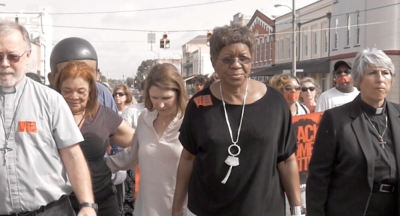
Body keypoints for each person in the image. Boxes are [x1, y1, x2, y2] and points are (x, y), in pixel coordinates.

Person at [172, 24, 302, 216]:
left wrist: (297, 209)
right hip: (207, 210)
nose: (236, 65)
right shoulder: (199, 105)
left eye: (243, 58)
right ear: (214, 61)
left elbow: (286, 160)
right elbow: (187, 158)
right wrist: (177, 209)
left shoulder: (275, 102)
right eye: (227, 59)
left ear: (251, 61)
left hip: (265, 210)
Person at [0, 22, 96, 215]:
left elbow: (72, 154)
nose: (4, 63)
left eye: (13, 56)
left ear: (27, 56)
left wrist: (87, 205)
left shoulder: (51, 100)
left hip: (50, 210)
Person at [307, 48, 399, 216]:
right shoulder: (336, 119)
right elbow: (318, 177)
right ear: (357, 80)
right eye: (372, 73)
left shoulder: (397, 115)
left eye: (385, 73)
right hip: (353, 208)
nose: (380, 79)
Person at [106, 63, 188, 216]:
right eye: (154, 98)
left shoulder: (191, 120)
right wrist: (96, 167)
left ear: (179, 93)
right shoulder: (145, 118)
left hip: (181, 209)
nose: (160, 104)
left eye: (166, 98)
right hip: (146, 209)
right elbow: (131, 156)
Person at [54, 61, 135, 216]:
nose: (74, 96)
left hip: (101, 201)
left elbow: (138, 141)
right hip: (58, 205)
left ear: (91, 91)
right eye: (67, 90)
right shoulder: (47, 115)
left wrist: (114, 164)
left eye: (81, 91)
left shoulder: (103, 115)